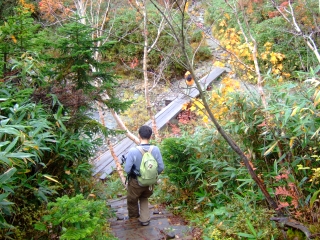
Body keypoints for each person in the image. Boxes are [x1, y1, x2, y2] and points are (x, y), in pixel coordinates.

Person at [124, 125, 164, 226]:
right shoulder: (155, 149)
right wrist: (152, 176)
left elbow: (127, 169)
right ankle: (145, 219)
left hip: (136, 182)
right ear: (150, 136)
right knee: (144, 197)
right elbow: (161, 167)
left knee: (132, 199)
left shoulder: (133, 151)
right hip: (150, 182)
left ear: (139, 135)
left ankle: (133, 218)